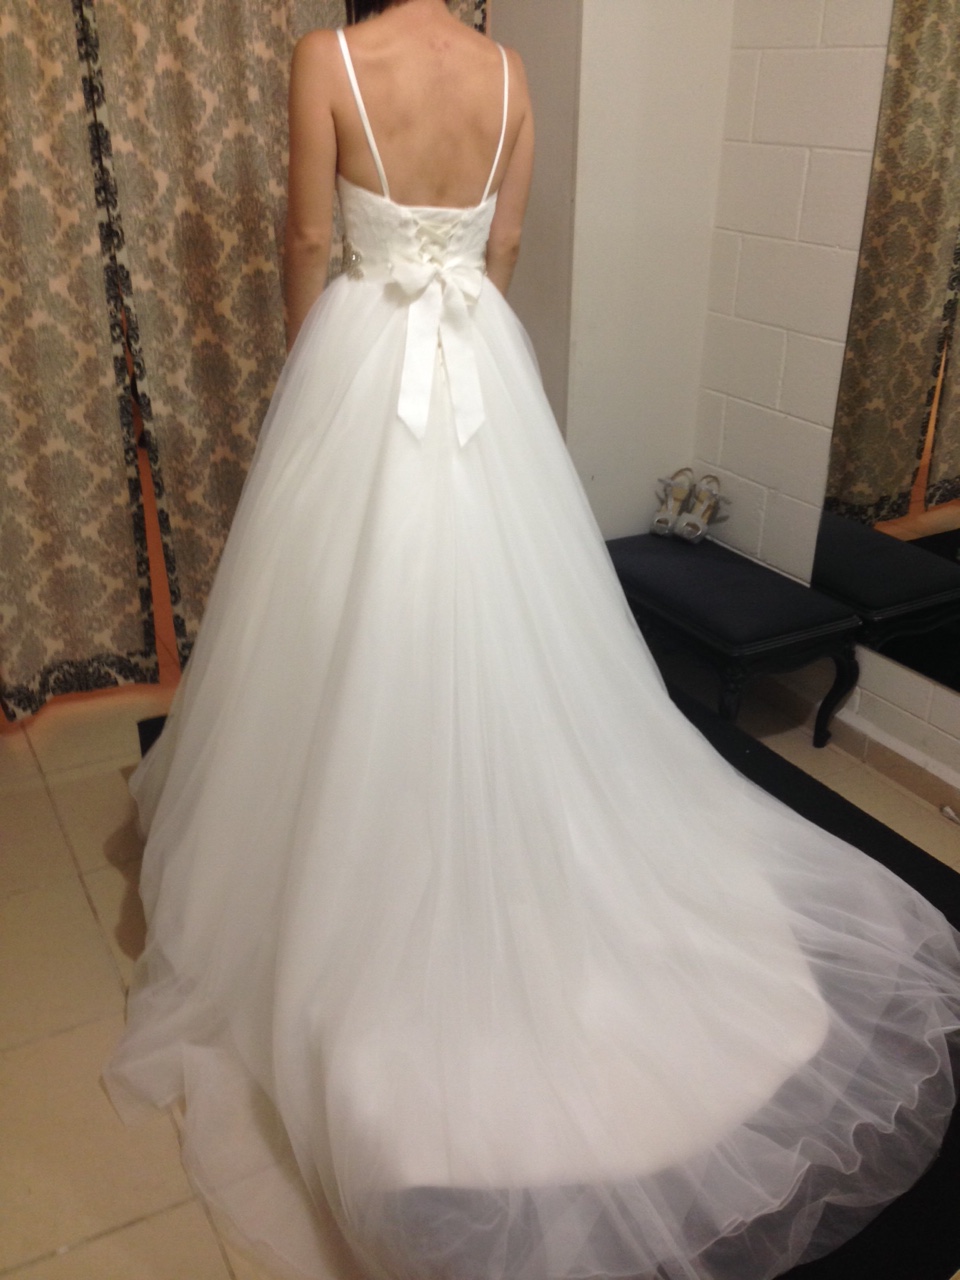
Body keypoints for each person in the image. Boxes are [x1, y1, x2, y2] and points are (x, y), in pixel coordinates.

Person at [105, 2, 960, 1279]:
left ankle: (355, 841)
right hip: (476, 357)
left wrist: (317, 370)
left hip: (360, 349)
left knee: (351, 609)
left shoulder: (327, 58)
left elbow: (305, 236)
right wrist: (466, 337)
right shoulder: (508, 72)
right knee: (501, 597)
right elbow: (501, 242)